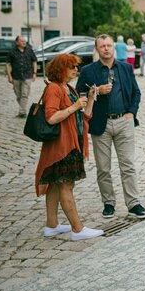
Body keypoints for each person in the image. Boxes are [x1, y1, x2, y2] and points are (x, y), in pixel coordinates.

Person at [78, 35, 145, 220]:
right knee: (103, 168)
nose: (106, 49)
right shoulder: (88, 71)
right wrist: (96, 91)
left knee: (128, 165)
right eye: (102, 46)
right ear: (97, 49)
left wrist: (131, 113)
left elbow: (136, 92)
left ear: (114, 48)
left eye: (109, 45)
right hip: (101, 123)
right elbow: (79, 94)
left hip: (124, 121)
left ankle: (133, 203)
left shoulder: (125, 67)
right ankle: (108, 203)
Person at [36, 54, 103, 241]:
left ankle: (52, 225)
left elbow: (85, 116)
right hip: (61, 145)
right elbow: (51, 117)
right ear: (60, 69)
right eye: (71, 66)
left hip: (72, 142)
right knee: (66, 184)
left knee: (56, 184)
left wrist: (90, 99)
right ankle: (77, 229)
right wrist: (74, 107)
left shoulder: (69, 88)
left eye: (76, 67)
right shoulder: (53, 89)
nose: (76, 70)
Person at [5, 36, 37, 118]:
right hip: (16, 76)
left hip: (27, 75)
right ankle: (22, 109)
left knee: (24, 94)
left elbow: (34, 61)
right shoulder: (12, 52)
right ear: (17, 42)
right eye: (22, 41)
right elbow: (8, 64)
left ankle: (22, 112)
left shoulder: (29, 50)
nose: (24, 42)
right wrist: (9, 76)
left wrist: (34, 73)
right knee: (18, 95)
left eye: (25, 41)